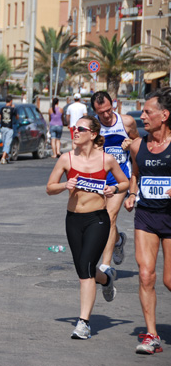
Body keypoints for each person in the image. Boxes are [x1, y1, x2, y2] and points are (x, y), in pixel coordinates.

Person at [46, 115, 129, 340]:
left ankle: (83, 323)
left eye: (80, 128)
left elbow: (125, 182)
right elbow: (49, 188)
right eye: (74, 128)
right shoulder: (66, 159)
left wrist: (114, 190)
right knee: (85, 270)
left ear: (92, 134)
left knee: (85, 267)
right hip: (73, 220)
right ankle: (107, 279)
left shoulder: (107, 160)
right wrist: (65, 184)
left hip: (97, 220)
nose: (75, 131)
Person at [123, 88, 171, 355]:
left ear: (164, 115)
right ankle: (151, 335)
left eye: (147, 112)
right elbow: (135, 174)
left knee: (169, 280)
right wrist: (131, 194)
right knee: (145, 274)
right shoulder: (138, 145)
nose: (141, 116)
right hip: (146, 216)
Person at [91, 91, 139, 282]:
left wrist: (131, 144)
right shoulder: (92, 126)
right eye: (101, 112)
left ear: (114, 105)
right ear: (95, 111)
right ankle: (118, 240)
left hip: (121, 178)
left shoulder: (126, 122)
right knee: (99, 218)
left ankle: (105, 264)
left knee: (110, 217)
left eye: (109, 110)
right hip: (99, 179)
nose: (106, 115)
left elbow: (139, 142)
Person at [0, 96, 18, 164]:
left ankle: (5, 157)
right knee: (6, 143)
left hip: (2, 128)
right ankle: (3, 158)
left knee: (6, 143)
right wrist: (14, 108)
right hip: (9, 128)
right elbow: (17, 117)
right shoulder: (13, 109)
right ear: (11, 101)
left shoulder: (1, 108)